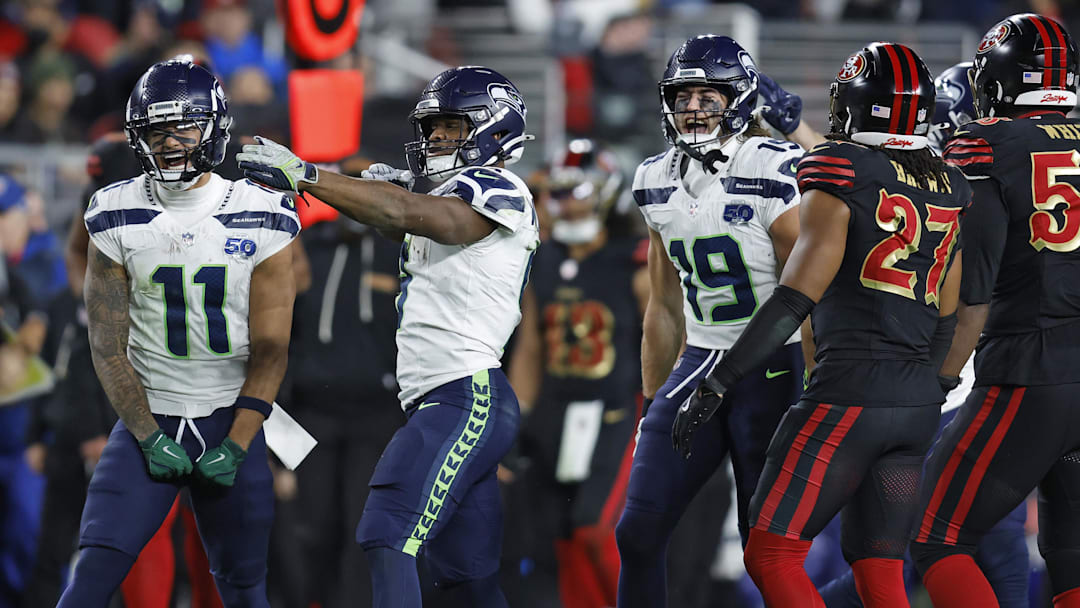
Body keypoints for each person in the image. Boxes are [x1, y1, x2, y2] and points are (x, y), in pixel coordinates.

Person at [674, 42, 970, 607]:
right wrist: (925, 389)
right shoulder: (947, 184)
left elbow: (793, 300)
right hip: (916, 404)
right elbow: (949, 312)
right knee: (879, 569)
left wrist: (718, 380)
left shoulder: (840, 168)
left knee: (771, 552)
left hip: (850, 390)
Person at [236, 65, 540, 608]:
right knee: (468, 580)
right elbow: (394, 216)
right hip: (443, 397)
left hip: (463, 395)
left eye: (453, 126)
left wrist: (307, 173)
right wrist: (367, 189)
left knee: (386, 532)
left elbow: (410, 213)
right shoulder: (447, 194)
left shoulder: (501, 188)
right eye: (434, 128)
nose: (439, 139)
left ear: (493, 128)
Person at [769, 61, 1030, 608]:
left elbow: (863, 189)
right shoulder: (976, 173)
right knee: (895, 555)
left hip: (935, 374)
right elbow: (868, 187)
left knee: (924, 551)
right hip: (944, 376)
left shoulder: (970, 178)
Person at [56, 58, 298, 607]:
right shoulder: (115, 210)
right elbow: (106, 344)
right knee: (91, 576)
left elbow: (273, 347)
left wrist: (236, 444)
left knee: (244, 590)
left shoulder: (262, 211)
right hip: (150, 413)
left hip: (229, 413)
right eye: (155, 131)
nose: (169, 143)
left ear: (213, 128)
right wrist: (145, 433)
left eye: (182, 128)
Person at [613, 34, 807, 607]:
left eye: (709, 94)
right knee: (638, 530)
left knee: (765, 546)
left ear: (741, 99)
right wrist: (654, 400)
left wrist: (816, 382)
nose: (694, 107)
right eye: (684, 95)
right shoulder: (653, 176)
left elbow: (807, 293)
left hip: (773, 364)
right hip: (699, 360)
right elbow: (665, 304)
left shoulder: (773, 166)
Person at [908, 14, 1080, 608]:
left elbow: (972, 292)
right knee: (1070, 553)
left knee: (933, 535)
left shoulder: (984, 143)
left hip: (1030, 366)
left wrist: (939, 378)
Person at [508, 138, 647, 608]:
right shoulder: (540, 259)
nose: (564, 202)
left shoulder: (638, 258)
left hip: (615, 410)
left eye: (575, 190)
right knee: (562, 536)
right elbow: (529, 348)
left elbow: (667, 339)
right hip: (555, 411)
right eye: (557, 191)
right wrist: (514, 418)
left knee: (596, 529)